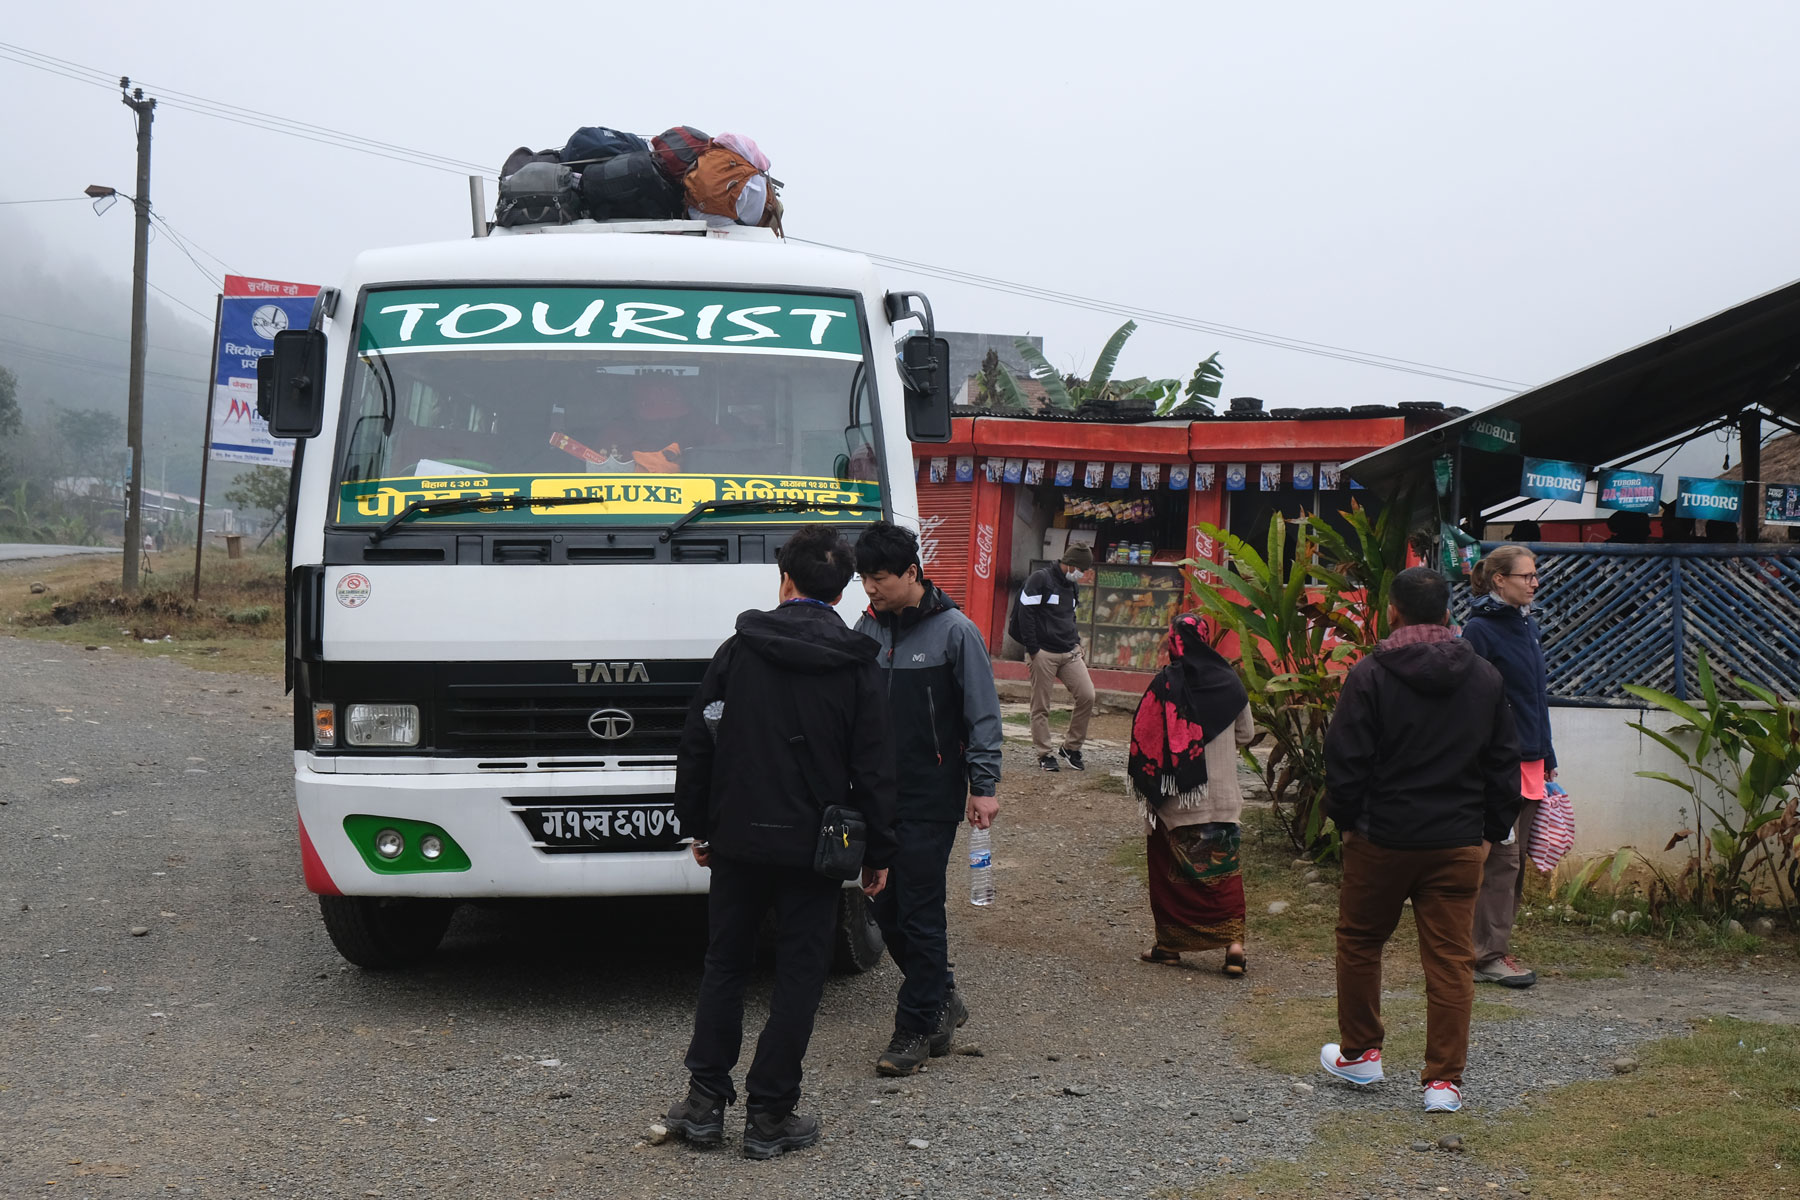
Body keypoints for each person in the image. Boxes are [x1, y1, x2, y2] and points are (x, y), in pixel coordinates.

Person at [663, 524, 897, 1159]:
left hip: (737, 835)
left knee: (725, 964)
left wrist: (698, 824)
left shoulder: (738, 650)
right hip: (815, 848)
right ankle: (771, 1115)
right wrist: (879, 852)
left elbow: (699, 738)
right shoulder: (858, 665)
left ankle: (705, 1104)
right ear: (845, 591)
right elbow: (875, 766)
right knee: (798, 973)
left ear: (784, 580)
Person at [1320, 567, 1522, 1114]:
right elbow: (1503, 765)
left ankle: (1362, 1053)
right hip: (1456, 843)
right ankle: (1442, 1083)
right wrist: (1486, 832)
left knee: (1361, 941)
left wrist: (1347, 822)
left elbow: (1344, 759)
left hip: (1380, 838)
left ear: (1394, 611)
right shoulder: (1484, 677)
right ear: (1448, 612)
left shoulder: (1369, 675)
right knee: (1452, 960)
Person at [853, 521, 1004, 1076]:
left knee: (918, 908)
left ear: (911, 573)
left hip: (931, 795)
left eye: (881, 578)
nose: (871, 589)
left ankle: (916, 1028)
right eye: (864, 578)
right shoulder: (865, 630)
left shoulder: (955, 632)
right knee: (880, 906)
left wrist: (983, 788)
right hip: (874, 797)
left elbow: (983, 715)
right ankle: (942, 995)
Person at [1127, 613, 1256, 976]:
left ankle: (1169, 946)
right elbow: (1246, 734)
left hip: (1176, 802)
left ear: (1174, 642)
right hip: (1222, 800)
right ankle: (1233, 946)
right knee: (1224, 874)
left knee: (1171, 876)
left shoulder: (1164, 685)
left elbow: (1145, 740)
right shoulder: (1230, 682)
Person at [1462, 544, 1555, 989]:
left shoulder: (1527, 625)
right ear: (1499, 580)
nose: (1534, 583)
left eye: (1536, 576)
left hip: (1532, 761)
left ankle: (1493, 946)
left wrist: (1548, 755)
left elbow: (1536, 697)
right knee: (1500, 861)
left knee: (1515, 861)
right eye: (1526, 576)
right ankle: (1484, 955)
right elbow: (1472, 701)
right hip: (1501, 764)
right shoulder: (1479, 631)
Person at [1011, 543, 1097, 772]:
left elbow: (1071, 617)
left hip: (1069, 652)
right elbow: (1024, 614)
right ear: (1071, 564)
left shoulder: (1073, 586)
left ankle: (1071, 747)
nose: (1083, 574)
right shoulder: (1040, 579)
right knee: (1041, 706)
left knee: (1087, 695)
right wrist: (1033, 649)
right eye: (1082, 569)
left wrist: (1077, 642)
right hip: (1043, 653)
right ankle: (1044, 753)